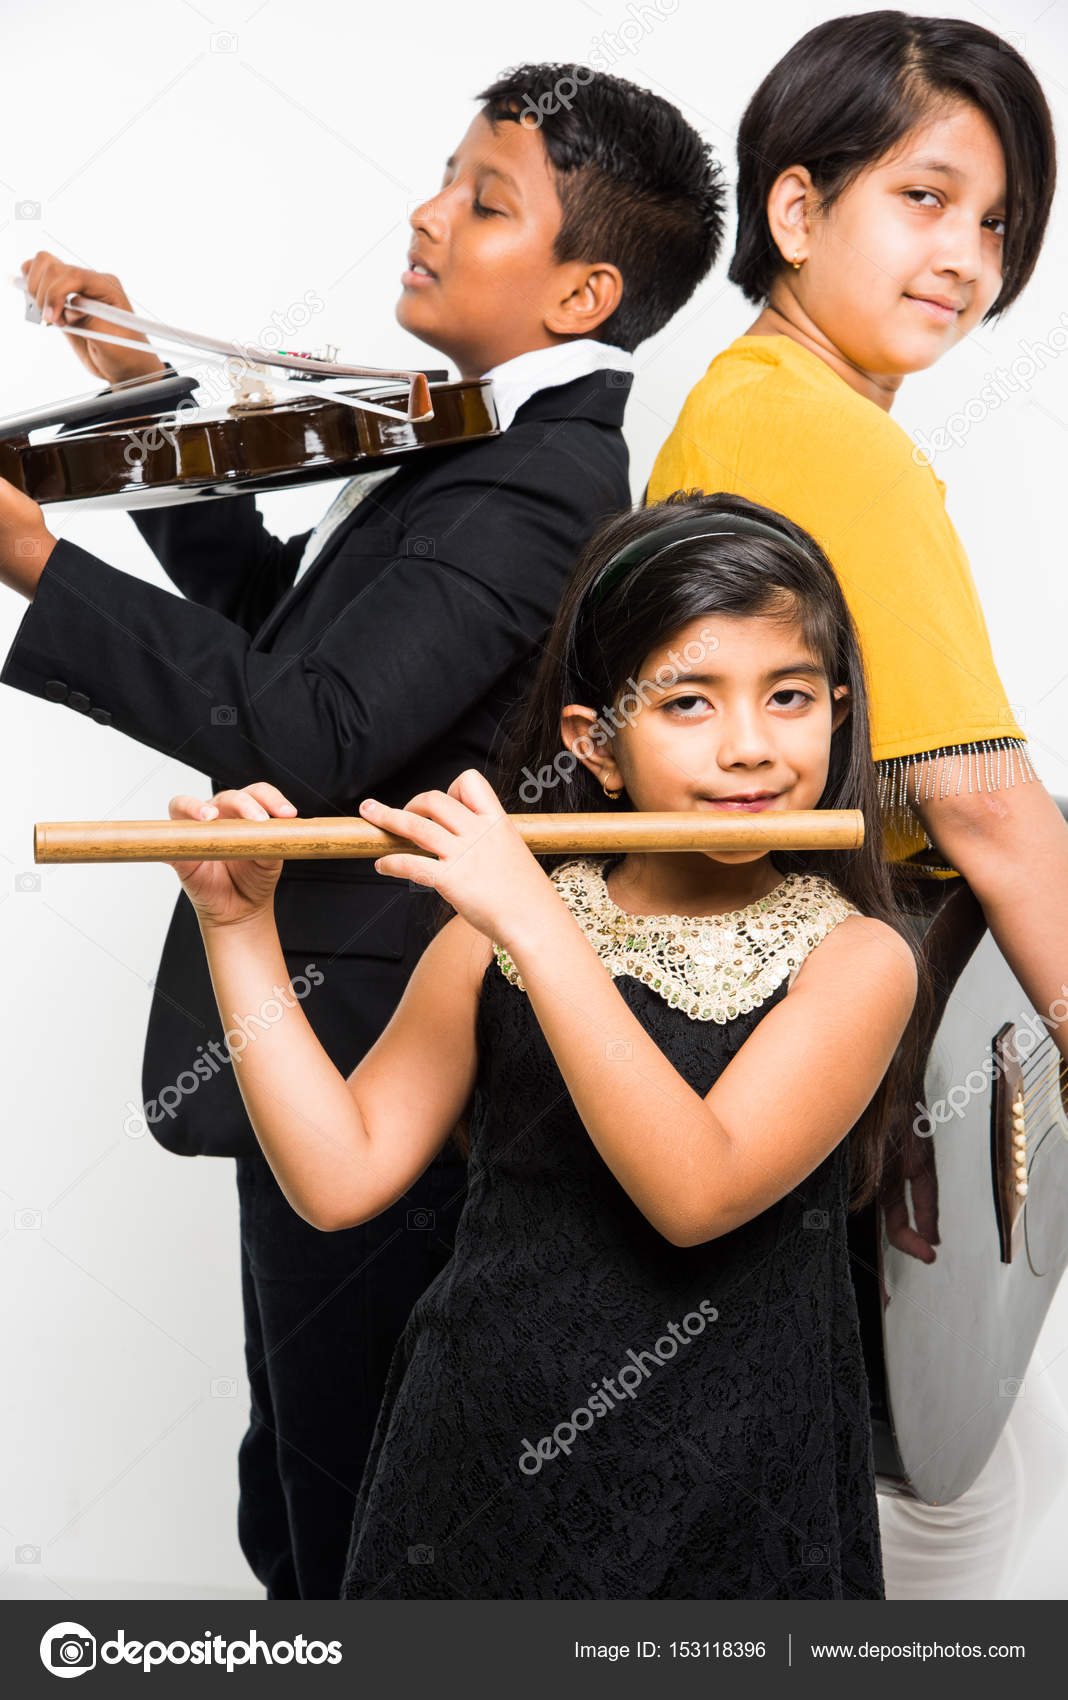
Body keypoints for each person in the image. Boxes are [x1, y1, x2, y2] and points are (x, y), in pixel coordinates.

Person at [0, 66, 726, 1597]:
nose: (427, 214)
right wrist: (134, 379)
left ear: (584, 290)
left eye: (484, 198)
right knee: (308, 1503)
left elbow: (307, 734)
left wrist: (35, 571)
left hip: (386, 1064)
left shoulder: (543, 481)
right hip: (330, 1059)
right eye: (443, 175)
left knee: (356, 1525)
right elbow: (286, 642)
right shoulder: (476, 440)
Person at [162, 490, 919, 1599]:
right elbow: (338, 1175)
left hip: (737, 1483)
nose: (750, 746)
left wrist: (533, 921)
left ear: (836, 716)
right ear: (596, 747)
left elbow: (694, 1187)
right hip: (479, 1460)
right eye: (689, 704)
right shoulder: (493, 928)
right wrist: (240, 930)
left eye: (790, 697)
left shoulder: (857, 959)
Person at [646, 12, 1068, 1597]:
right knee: (929, 1504)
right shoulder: (821, 435)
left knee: (960, 1476)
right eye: (927, 199)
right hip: (821, 1036)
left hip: (774, 1026)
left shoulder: (750, 403)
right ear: (799, 210)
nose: (968, 255)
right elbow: (985, 809)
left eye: (998, 222)